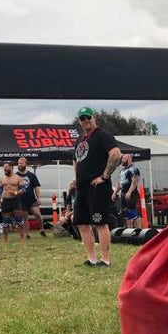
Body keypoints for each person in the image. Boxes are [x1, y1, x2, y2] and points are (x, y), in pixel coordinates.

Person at [73, 106, 119, 266]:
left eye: (88, 117)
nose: (85, 120)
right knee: (81, 222)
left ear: (94, 118)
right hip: (82, 188)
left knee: (100, 222)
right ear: (79, 121)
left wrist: (104, 176)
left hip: (97, 187)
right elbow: (76, 160)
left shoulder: (103, 136)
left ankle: (105, 259)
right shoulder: (80, 139)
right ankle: (91, 259)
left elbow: (115, 154)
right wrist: (76, 178)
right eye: (82, 118)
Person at [16, 156, 44, 238]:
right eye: (18, 163)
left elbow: (37, 187)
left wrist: (39, 198)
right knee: (25, 217)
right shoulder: (15, 176)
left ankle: (42, 229)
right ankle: (27, 234)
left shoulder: (31, 175)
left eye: (21, 163)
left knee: (37, 214)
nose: (19, 165)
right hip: (21, 200)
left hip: (31, 200)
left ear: (26, 164)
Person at [0, 162, 25, 244]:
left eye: (6, 167)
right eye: (4, 168)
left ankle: (22, 238)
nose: (4, 169)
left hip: (15, 200)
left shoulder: (18, 178)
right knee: (5, 221)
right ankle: (5, 239)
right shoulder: (2, 179)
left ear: (11, 167)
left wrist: (16, 193)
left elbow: (23, 189)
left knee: (19, 220)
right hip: (6, 201)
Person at [118, 153, 142, 229]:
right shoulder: (122, 170)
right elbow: (119, 182)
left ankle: (139, 230)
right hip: (123, 193)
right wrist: (115, 192)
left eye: (123, 159)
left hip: (131, 193)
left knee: (132, 210)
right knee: (126, 212)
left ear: (128, 159)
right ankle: (129, 230)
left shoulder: (134, 169)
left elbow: (135, 181)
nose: (122, 161)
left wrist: (129, 192)